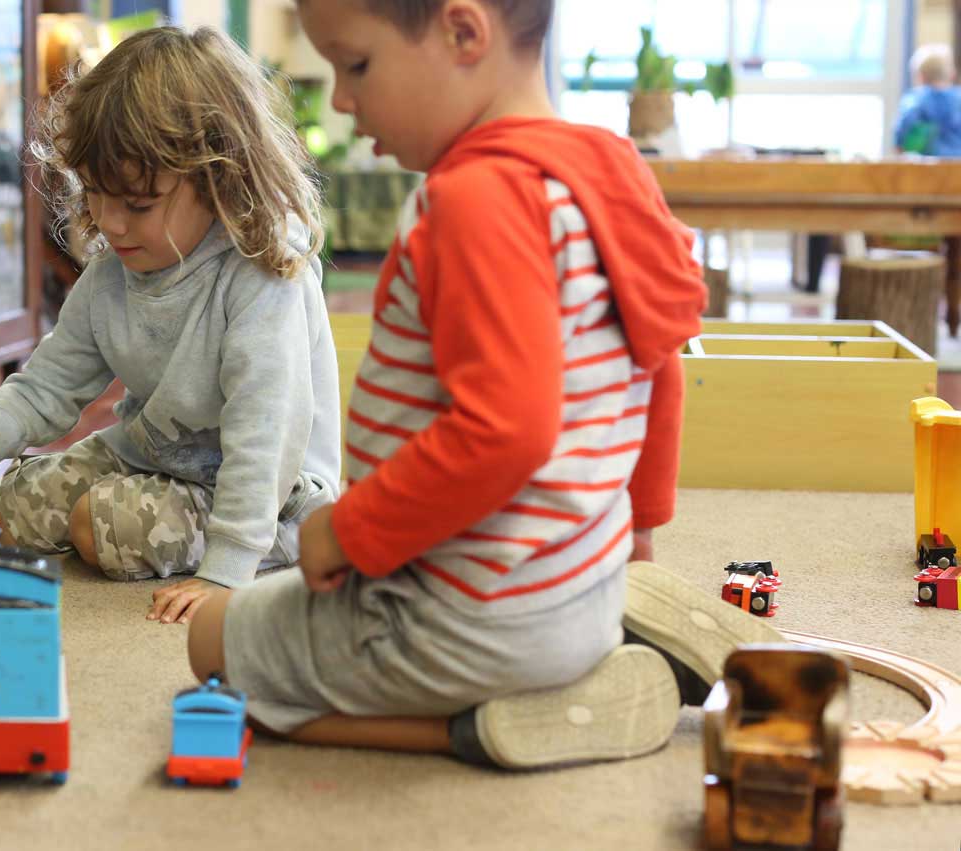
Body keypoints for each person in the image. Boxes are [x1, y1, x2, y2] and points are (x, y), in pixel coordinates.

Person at [187, 0, 784, 770]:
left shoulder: (472, 199)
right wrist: (634, 544)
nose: (339, 97)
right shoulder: (611, 166)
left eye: (357, 64)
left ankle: (488, 727)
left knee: (211, 639)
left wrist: (347, 529)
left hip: (463, 618)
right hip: (587, 593)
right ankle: (583, 667)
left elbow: (507, 429)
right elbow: (662, 367)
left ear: (464, 34)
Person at [0, 26, 341, 626]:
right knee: (16, 506)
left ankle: (276, 548)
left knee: (102, 524)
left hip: (276, 496)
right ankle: (143, 518)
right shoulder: (111, 274)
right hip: (159, 461)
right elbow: (48, 382)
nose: (111, 223)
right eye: (97, 194)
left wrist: (227, 568)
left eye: (140, 204)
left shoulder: (260, 274)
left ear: (219, 176)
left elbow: (267, 431)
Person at [895, 43, 961, 156]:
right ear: (950, 74)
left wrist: (899, 147)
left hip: (925, 167)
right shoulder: (957, 98)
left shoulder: (916, 100)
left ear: (920, 75)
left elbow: (902, 133)